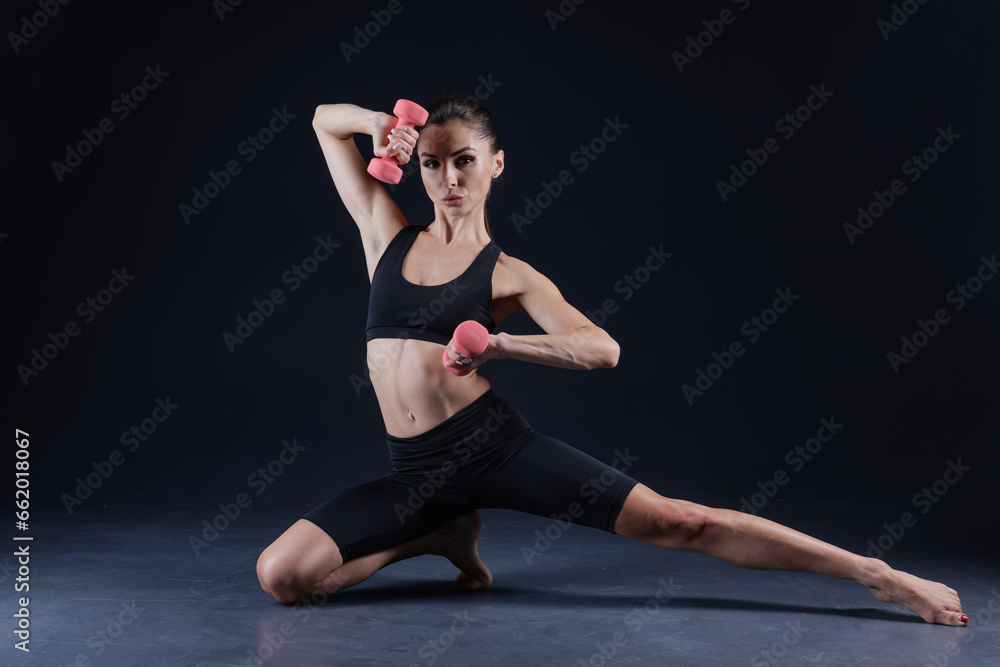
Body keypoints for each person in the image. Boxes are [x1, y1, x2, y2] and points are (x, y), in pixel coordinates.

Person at [255, 95, 967, 626]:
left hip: (493, 450)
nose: (448, 178)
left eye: (464, 160)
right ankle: (440, 530)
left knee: (679, 522)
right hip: (413, 471)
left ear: (495, 165)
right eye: (434, 163)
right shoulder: (386, 233)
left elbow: (603, 348)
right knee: (283, 576)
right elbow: (323, 120)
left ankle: (878, 575)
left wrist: (503, 343)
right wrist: (378, 123)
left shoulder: (510, 274)